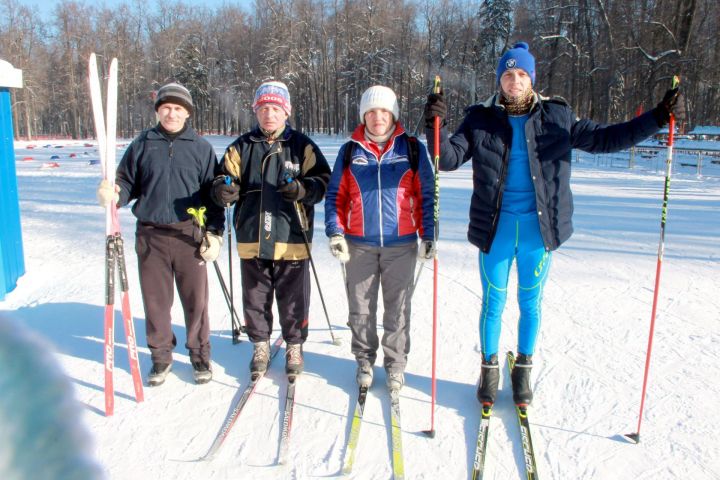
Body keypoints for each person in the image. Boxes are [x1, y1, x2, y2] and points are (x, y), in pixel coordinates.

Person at [423, 42, 685, 409]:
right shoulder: (479, 118)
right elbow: (447, 159)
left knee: (530, 301)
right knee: (492, 302)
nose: (514, 81)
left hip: (538, 231)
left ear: (532, 79)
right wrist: (434, 125)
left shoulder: (557, 116)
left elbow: (606, 139)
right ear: (499, 79)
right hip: (494, 230)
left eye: (521, 74)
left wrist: (657, 117)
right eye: (508, 74)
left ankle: (524, 369)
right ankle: (489, 368)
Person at [97, 82, 223, 386]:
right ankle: (161, 356)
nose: (172, 113)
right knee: (156, 301)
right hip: (151, 235)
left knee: (196, 302)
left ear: (187, 113)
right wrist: (115, 193)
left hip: (189, 235)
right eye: (166, 107)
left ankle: (199, 354)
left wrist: (215, 234)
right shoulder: (143, 144)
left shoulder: (201, 148)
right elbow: (127, 182)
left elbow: (214, 195)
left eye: (178, 108)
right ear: (158, 110)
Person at [211, 81, 330, 379]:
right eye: (264, 108)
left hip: (291, 235)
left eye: (275, 108)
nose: (269, 114)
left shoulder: (301, 145)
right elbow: (222, 178)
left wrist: (302, 189)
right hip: (252, 234)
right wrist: (224, 190)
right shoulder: (242, 146)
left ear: (286, 112)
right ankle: (260, 344)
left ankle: (294, 345)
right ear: (256, 111)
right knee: (255, 296)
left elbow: (324, 181)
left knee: (294, 297)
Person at [325, 85, 436, 391]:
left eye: (384, 111)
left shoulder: (412, 149)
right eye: (372, 112)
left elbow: (426, 194)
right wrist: (335, 231)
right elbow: (335, 196)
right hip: (359, 244)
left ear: (393, 115)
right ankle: (363, 360)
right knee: (360, 308)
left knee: (398, 308)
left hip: (401, 245)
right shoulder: (350, 151)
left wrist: (428, 234)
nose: (378, 117)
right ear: (364, 116)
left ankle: (395, 364)